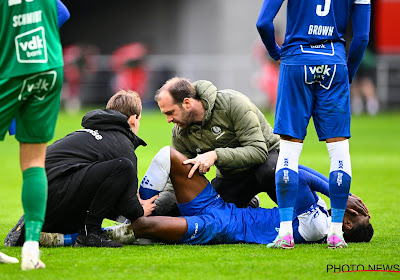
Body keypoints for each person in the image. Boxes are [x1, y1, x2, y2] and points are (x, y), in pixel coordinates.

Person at [257, 0, 371, 248]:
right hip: (334, 63)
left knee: (288, 151)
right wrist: (347, 72)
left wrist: (276, 53)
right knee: (339, 151)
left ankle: (285, 233)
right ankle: (336, 233)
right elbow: (361, 38)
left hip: (296, 61)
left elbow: (263, 23)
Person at [125, 147, 372, 245]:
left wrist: (337, 192)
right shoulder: (319, 208)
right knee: (168, 156)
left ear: (347, 224)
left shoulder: (317, 227)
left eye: (355, 212)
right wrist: (343, 192)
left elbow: (293, 176)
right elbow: (297, 170)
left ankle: (93, 234)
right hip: (221, 207)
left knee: (143, 225)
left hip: (221, 227)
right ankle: (140, 206)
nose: (353, 206)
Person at [4, 90, 157, 248]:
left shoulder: (85, 135)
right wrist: (140, 210)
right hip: (56, 197)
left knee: (106, 175)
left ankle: (37, 229)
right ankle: (91, 233)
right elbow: (129, 205)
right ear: (134, 119)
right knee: (124, 166)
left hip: (39, 201)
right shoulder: (121, 143)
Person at [0, 0, 70, 270]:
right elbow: (62, 13)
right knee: (34, 161)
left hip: (9, 70)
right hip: (48, 68)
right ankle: (31, 247)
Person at [151, 77, 280, 215]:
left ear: (187, 103)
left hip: (269, 157)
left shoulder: (232, 103)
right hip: (232, 174)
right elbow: (179, 180)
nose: (168, 120)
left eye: (170, 113)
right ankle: (248, 203)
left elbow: (258, 151)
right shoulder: (180, 133)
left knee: (269, 172)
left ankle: (301, 215)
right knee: (209, 214)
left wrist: (215, 155)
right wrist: (154, 208)